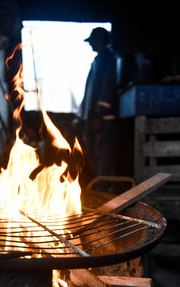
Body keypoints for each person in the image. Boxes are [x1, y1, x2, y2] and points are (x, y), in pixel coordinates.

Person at [75, 27, 118, 188]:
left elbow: (108, 90)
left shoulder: (110, 60)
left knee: (103, 158)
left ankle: (104, 194)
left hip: (102, 119)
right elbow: (89, 92)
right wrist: (81, 116)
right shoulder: (97, 61)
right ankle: (100, 189)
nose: (91, 45)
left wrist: (99, 115)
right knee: (93, 157)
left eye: (93, 41)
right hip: (91, 118)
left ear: (101, 41)